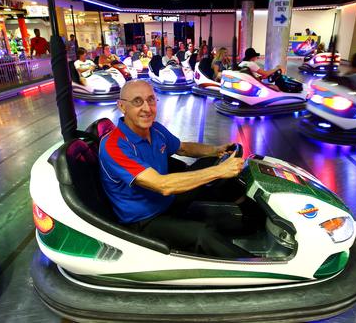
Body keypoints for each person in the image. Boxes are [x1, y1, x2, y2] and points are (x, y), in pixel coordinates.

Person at [99, 80, 258, 258]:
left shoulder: (154, 129)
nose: (147, 108)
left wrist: (216, 150)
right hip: (142, 220)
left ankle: (253, 221)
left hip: (164, 201)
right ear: (122, 106)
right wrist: (220, 170)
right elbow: (162, 185)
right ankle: (259, 269)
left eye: (151, 100)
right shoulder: (114, 146)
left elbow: (183, 148)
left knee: (212, 165)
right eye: (137, 101)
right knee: (202, 234)